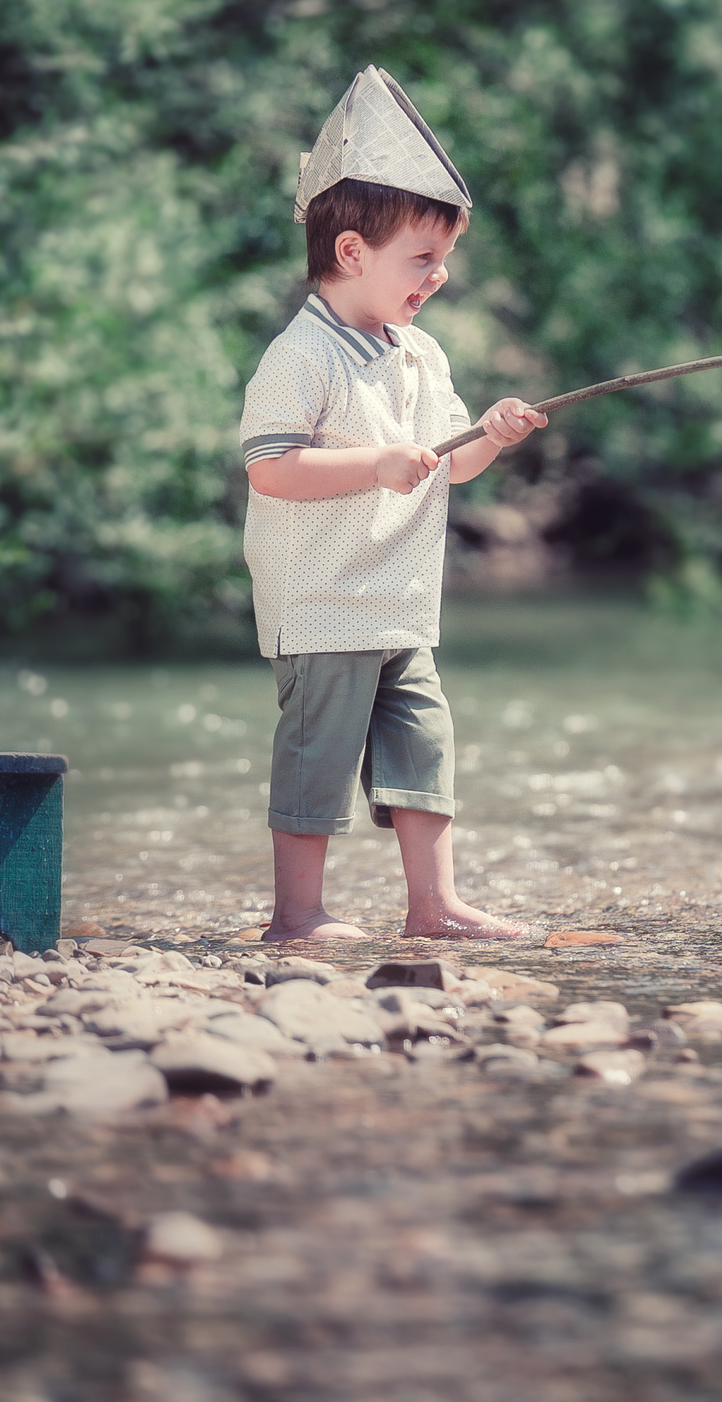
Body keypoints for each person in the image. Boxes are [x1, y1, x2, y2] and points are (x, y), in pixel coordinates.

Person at [237, 66, 546, 942]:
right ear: (350, 254)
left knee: (424, 745)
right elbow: (271, 468)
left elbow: (450, 464)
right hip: (323, 599)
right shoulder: (300, 357)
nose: (439, 276)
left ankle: (433, 906)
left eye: (444, 261)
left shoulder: (420, 355)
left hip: (399, 601)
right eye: (423, 259)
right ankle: (297, 914)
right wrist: (375, 463)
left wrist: (489, 434)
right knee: (317, 756)